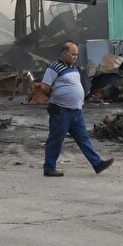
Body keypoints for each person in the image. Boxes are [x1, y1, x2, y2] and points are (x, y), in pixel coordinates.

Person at [41, 41, 114, 177]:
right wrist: (57, 98)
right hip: (61, 111)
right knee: (56, 139)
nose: (75, 57)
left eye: (76, 54)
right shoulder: (53, 68)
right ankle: (49, 168)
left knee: (83, 139)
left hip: (76, 111)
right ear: (64, 53)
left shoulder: (73, 68)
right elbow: (44, 87)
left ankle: (97, 164)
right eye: (73, 54)